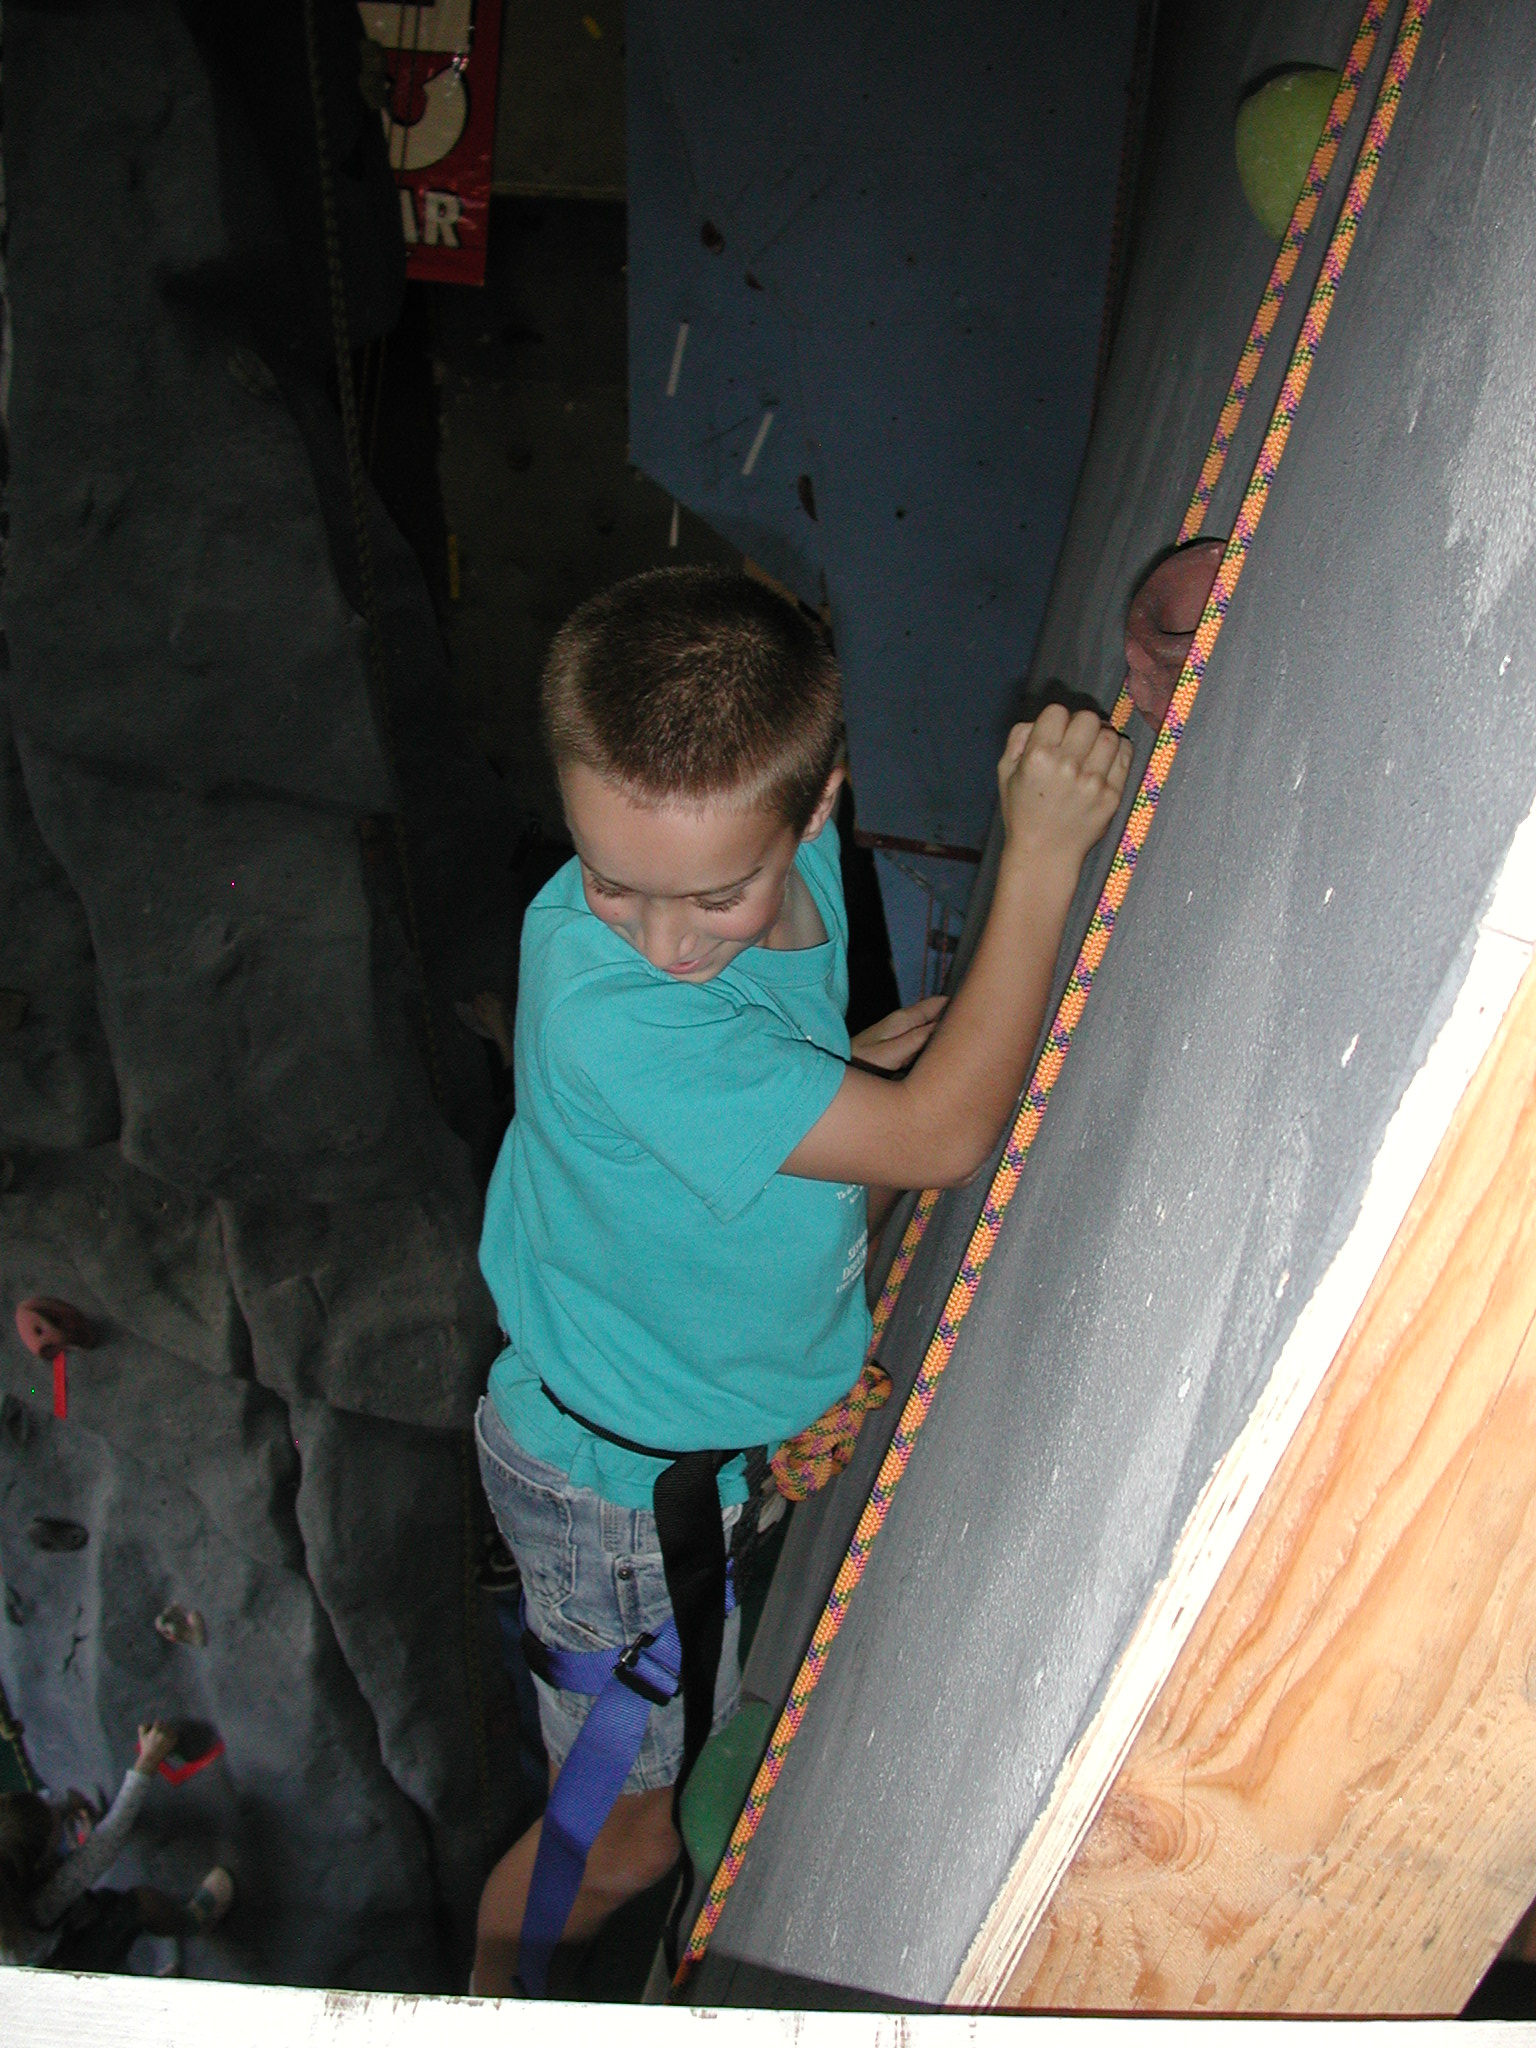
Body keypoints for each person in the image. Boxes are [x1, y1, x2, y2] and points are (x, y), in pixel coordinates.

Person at [473, 567, 1131, 1993]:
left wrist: (837, 1079)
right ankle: (480, 1995)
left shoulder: (791, 880)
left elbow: (780, 1133)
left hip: (678, 1416)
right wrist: (1040, 854)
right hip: (619, 1490)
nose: (664, 943)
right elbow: (942, 1137)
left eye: (716, 894)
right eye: (609, 880)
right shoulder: (614, 1013)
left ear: (816, 805)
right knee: (621, 1837)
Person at [0, 1720, 233, 1971]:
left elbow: (20, 1821)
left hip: (45, 1929)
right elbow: (105, 1843)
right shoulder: (40, 1907)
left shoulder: (14, 1861)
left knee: (102, 1914)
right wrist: (148, 1761)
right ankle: (193, 1921)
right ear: (40, 1864)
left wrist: (64, 1805)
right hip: (59, 1964)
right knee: (140, 1906)